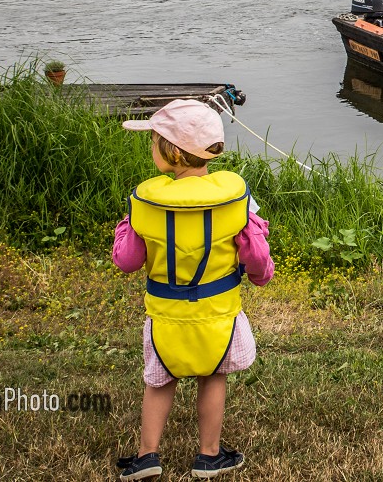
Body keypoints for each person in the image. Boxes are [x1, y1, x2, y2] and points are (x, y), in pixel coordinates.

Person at [112, 99, 274, 481]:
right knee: (213, 377)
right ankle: (209, 456)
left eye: (154, 141)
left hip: (166, 315)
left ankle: (147, 455)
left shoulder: (147, 201)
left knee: (159, 380)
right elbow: (256, 253)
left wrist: (126, 223)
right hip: (218, 312)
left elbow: (128, 260)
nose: (152, 148)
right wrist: (260, 276)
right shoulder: (235, 198)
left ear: (170, 151)